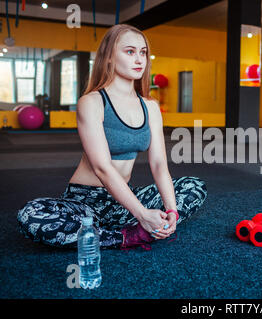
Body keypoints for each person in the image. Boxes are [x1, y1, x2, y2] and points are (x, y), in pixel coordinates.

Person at [17, 24, 208, 250]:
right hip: (85, 202)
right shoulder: (92, 102)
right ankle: (127, 236)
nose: (139, 59)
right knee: (31, 215)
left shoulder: (150, 107)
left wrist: (171, 211)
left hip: (124, 200)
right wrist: (142, 214)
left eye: (143, 52)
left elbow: (158, 165)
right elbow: (102, 168)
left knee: (194, 186)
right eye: (129, 51)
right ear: (108, 57)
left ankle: (136, 226)